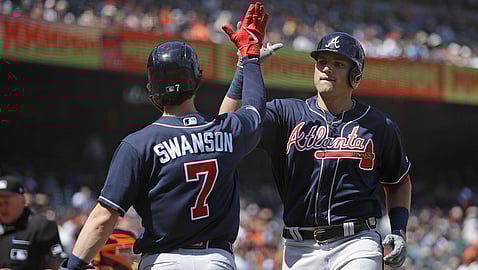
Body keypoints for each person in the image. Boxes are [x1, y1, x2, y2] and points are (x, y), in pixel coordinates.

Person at [62, 2, 269, 269]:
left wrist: (74, 265)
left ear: (152, 89)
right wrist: (249, 58)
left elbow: (104, 218)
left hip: (163, 261)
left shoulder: (137, 145)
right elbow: (254, 108)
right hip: (216, 260)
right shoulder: (224, 131)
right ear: (196, 80)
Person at [219, 32, 412, 270]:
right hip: (299, 247)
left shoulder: (379, 125)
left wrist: (399, 230)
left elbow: (398, 181)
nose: (327, 69)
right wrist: (244, 68)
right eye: (322, 62)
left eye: (338, 64)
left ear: (356, 75)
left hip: (356, 242)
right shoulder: (285, 114)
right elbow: (227, 128)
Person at [0, 175, 66, 269]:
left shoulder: (41, 226)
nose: (3, 208)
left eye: (7, 203)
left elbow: (57, 264)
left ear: (22, 201)